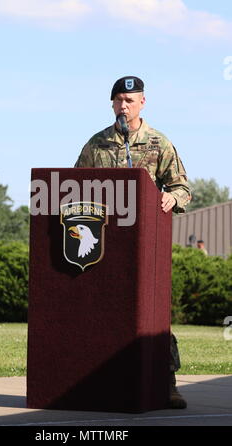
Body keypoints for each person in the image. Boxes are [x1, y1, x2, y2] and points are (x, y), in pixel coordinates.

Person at [75, 76, 192, 409]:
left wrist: (171, 199)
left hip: (145, 247)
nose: (123, 106)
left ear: (143, 102)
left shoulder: (158, 142)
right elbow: (74, 185)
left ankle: (166, 381)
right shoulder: (96, 144)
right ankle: (100, 380)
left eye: (130, 100)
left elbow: (182, 188)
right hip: (105, 245)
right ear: (111, 103)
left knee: (152, 315)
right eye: (118, 100)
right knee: (104, 314)